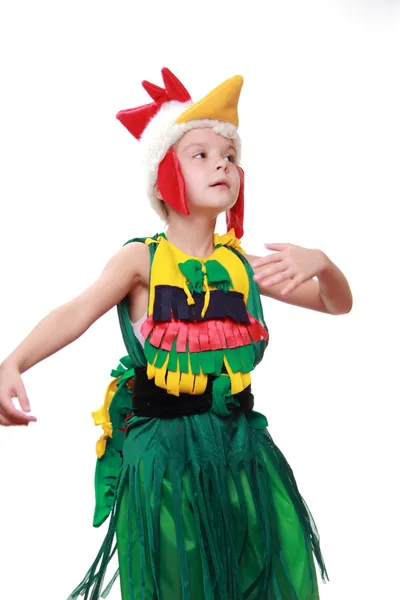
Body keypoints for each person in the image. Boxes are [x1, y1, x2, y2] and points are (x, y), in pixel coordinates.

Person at [0, 67, 353, 600]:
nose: (222, 164)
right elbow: (75, 312)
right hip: (164, 454)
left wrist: (323, 263)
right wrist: (13, 362)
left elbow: (337, 304)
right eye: (202, 154)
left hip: (240, 445)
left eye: (230, 157)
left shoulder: (242, 265)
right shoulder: (140, 259)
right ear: (165, 172)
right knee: (177, 576)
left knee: (255, 562)